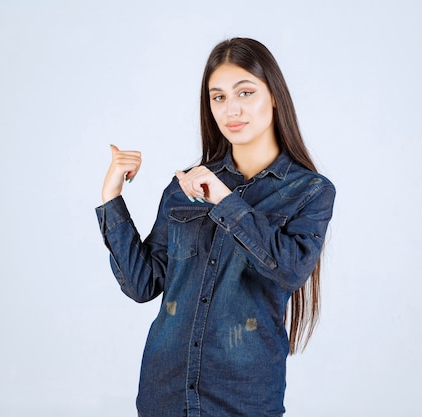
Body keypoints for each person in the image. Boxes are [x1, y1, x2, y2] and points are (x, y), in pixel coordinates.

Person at [96, 37, 335, 417]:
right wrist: (112, 198)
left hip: (244, 398)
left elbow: (289, 270)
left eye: (245, 92)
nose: (232, 109)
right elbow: (143, 285)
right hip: (165, 392)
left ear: (274, 96)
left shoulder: (308, 191)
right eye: (218, 97)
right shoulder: (184, 186)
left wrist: (225, 201)